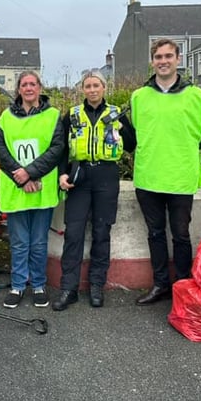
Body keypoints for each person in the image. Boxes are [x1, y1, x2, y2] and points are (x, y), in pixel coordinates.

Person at [131, 38, 201, 306]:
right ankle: (160, 285)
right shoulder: (139, 96)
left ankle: (183, 286)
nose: (163, 61)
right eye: (158, 57)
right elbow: (135, 136)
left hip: (180, 176)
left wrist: (178, 153)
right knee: (155, 234)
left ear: (178, 59)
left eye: (168, 56)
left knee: (181, 235)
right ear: (152, 61)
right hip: (148, 176)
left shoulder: (197, 96)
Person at [52, 70, 136, 311]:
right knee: (74, 233)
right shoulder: (73, 115)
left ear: (104, 88)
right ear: (82, 90)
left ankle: (97, 285)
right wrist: (63, 173)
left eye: (96, 85)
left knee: (102, 232)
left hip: (106, 176)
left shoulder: (115, 114)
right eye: (87, 86)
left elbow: (131, 145)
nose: (92, 89)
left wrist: (122, 127)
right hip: (80, 176)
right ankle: (69, 288)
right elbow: (61, 149)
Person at [0, 71, 65, 308]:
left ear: (39, 87)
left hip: (41, 190)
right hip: (17, 190)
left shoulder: (54, 115)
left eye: (32, 84)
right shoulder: (5, 117)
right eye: (24, 84)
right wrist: (22, 178)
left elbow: (57, 149)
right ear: (18, 90)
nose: (28, 88)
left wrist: (31, 173)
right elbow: (1, 152)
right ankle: (17, 285)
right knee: (18, 242)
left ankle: (38, 284)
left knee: (38, 242)